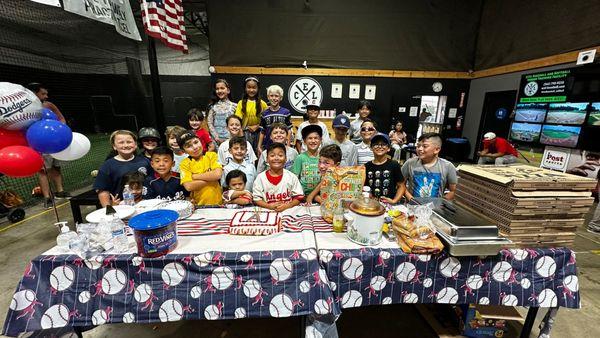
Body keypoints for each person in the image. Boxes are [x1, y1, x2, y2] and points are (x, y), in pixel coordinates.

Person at [27, 83, 69, 207]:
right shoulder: (27, 109)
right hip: (40, 143)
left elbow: (61, 119)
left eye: (46, 93)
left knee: (56, 168)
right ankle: (47, 197)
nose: (46, 96)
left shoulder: (49, 105)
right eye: (43, 93)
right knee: (43, 170)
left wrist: (60, 131)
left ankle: (60, 191)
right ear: (34, 93)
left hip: (56, 142)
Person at [93, 130, 152, 207]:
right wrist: (108, 209)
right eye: (121, 142)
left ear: (135, 145)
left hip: (145, 204)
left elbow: (152, 181)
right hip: (122, 208)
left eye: (129, 142)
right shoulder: (107, 166)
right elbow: (103, 191)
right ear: (114, 146)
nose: (126, 145)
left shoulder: (144, 161)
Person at [401, 133, 457, 200]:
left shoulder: (448, 166)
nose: (420, 149)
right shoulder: (410, 163)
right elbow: (400, 184)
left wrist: (440, 202)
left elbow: (453, 191)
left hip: (435, 208)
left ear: (437, 150)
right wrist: (410, 198)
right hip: (412, 206)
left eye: (425, 146)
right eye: (418, 146)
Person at [253, 142, 304, 211]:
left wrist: (288, 206)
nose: (276, 158)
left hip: (288, 211)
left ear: (286, 159)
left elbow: (299, 197)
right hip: (267, 212)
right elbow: (256, 199)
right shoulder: (260, 178)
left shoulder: (291, 177)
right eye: (272, 155)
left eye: (280, 155)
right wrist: (269, 206)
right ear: (267, 159)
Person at [178, 130, 223, 206]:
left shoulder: (212, 155)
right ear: (184, 151)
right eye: (189, 146)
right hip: (198, 206)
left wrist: (195, 176)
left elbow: (217, 175)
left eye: (196, 142)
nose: (195, 147)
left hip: (218, 203)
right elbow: (189, 186)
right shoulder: (184, 163)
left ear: (201, 141)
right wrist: (211, 179)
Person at [364, 133, 405, 204]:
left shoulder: (394, 165)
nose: (379, 146)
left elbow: (401, 186)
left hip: (389, 206)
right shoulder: (366, 166)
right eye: (376, 144)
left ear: (388, 148)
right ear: (371, 147)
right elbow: (364, 187)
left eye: (383, 144)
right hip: (371, 205)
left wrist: (394, 201)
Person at [235, 76, 268, 154]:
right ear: (245, 88)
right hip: (245, 132)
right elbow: (238, 119)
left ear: (258, 89)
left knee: (258, 152)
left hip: (259, 132)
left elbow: (266, 120)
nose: (251, 90)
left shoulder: (262, 103)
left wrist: (257, 126)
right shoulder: (241, 103)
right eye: (249, 87)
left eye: (254, 87)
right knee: (247, 152)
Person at [257, 85, 292, 153]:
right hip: (267, 145)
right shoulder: (264, 114)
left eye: (276, 96)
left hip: (282, 145)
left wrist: (288, 145)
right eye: (271, 96)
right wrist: (259, 146)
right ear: (268, 97)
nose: (274, 98)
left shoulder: (286, 112)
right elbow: (262, 131)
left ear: (280, 98)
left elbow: (289, 130)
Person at [291, 124, 322, 196]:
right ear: (304, 141)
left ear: (320, 140)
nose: (313, 141)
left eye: (316, 138)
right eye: (310, 138)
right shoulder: (300, 157)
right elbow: (294, 177)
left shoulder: (323, 158)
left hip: (320, 194)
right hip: (303, 195)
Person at [207, 79, 237, 145]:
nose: (219, 91)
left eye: (222, 88)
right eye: (217, 89)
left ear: (228, 90)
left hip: (231, 140)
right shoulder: (212, 107)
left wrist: (231, 138)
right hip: (216, 141)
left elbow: (237, 124)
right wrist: (216, 137)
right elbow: (209, 122)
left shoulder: (235, 106)